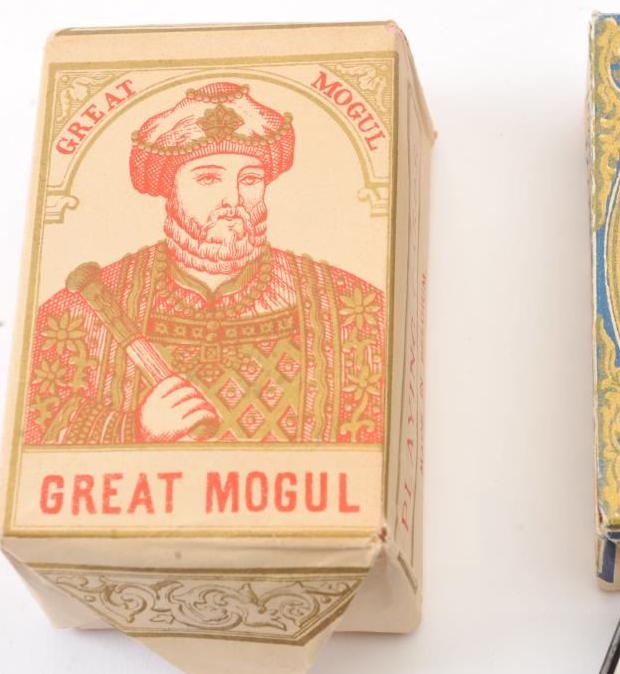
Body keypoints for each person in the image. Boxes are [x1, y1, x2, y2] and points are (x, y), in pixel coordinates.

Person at [27, 82, 385, 445]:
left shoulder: (351, 307)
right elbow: (40, 429)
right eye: (208, 178)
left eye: (250, 179)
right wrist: (136, 430)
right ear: (170, 189)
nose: (233, 199)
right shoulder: (81, 310)